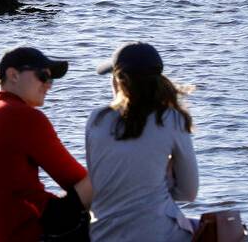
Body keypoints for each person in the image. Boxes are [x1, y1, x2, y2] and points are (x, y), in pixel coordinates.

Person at [0, 46, 93, 242]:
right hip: (27, 234)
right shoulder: (22, 117)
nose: (49, 85)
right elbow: (76, 179)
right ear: (13, 75)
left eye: (51, 79)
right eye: (42, 76)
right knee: (105, 180)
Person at [85, 43, 198, 242]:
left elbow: (101, 181)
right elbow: (189, 192)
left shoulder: (96, 120)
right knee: (229, 230)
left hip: (103, 234)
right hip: (157, 233)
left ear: (119, 81)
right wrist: (162, 181)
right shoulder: (172, 119)